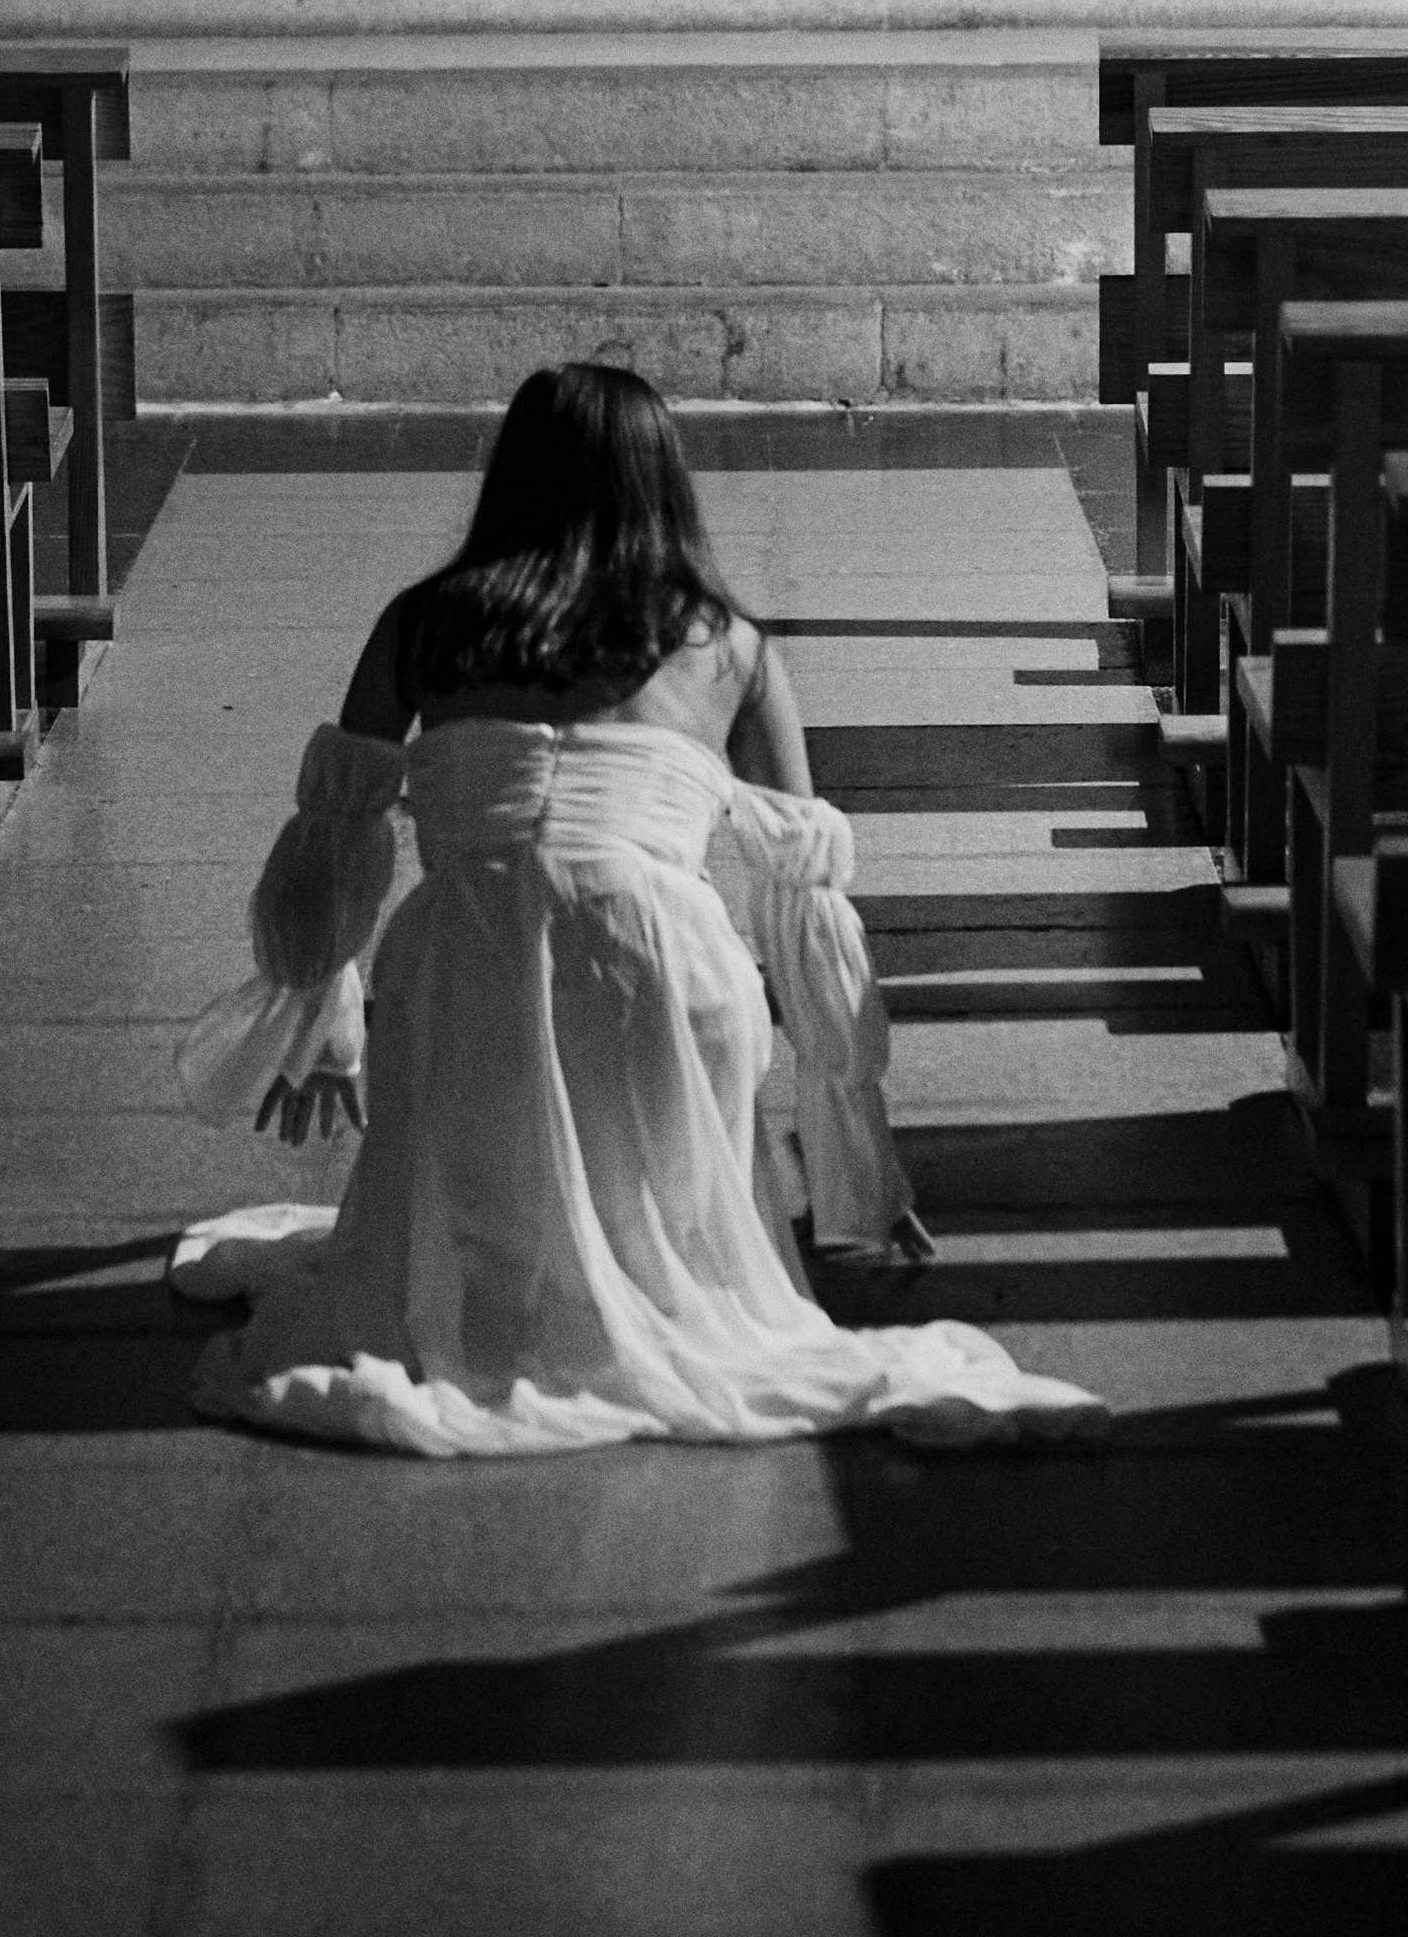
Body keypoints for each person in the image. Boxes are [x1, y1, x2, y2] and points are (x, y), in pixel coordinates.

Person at [169, 363, 1102, 1456]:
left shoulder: (422, 624)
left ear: (509, 477)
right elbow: (802, 893)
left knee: (477, 1161)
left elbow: (337, 838)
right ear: (665, 482)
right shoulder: (729, 645)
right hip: (663, 983)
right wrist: (857, 1144)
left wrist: (322, 1017)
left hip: (466, 974)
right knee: (667, 1205)